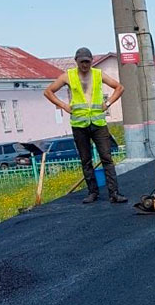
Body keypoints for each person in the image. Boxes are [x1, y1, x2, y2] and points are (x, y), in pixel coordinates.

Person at [44, 47, 128, 204]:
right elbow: (48, 91)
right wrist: (63, 105)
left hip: (98, 123)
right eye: (82, 62)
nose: (85, 65)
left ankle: (114, 193)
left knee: (106, 158)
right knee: (86, 159)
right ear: (76, 61)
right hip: (79, 124)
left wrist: (108, 103)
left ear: (91, 61)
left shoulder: (98, 74)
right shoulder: (68, 76)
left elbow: (119, 87)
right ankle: (93, 192)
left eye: (87, 62)